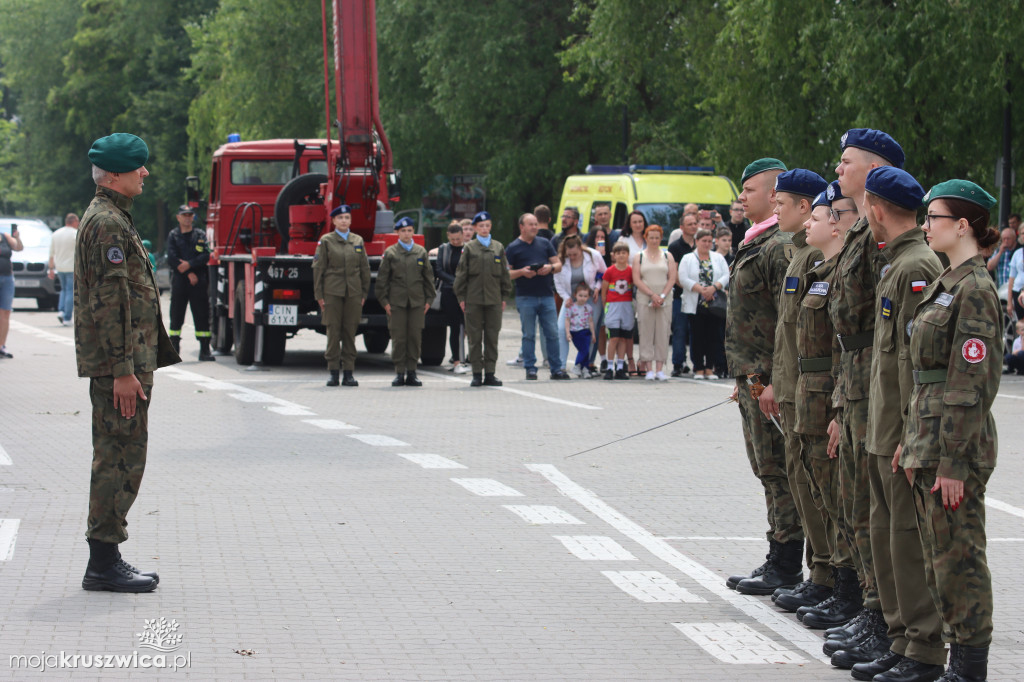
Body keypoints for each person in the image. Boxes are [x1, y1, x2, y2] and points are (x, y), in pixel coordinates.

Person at [845, 167, 946, 682]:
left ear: (876, 208)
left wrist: (911, 433)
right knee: (886, 538)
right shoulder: (895, 264)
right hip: (881, 431)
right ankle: (899, 636)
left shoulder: (916, 266)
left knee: (906, 541)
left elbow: (915, 363)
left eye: (865, 206)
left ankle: (923, 649)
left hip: (900, 434)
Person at [905, 180, 1002, 682]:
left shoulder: (976, 290)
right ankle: (954, 659)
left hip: (953, 446)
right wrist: (911, 439)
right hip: (929, 437)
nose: (926, 226)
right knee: (938, 558)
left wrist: (953, 462)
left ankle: (969, 667)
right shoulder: (949, 283)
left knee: (959, 558)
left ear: (962, 225)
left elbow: (970, 384)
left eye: (934, 218)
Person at [76, 132, 179, 592]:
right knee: (118, 457)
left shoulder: (111, 216)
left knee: (121, 454)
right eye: (139, 166)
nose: (146, 172)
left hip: (128, 363)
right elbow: (109, 301)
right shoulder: (109, 224)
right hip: (121, 367)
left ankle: (106, 558)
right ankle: (103, 562)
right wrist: (122, 371)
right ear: (115, 174)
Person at [825, 129, 909, 671]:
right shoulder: (858, 231)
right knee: (862, 506)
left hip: (875, 383)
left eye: (847, 161)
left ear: (873, 169)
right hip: (854, 379)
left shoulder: (885, 240)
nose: (838, 168)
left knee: (878, 509)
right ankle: (873, 609)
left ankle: (885, 616)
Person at [724, 157, 803, 595]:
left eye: (749, 190)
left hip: (770, 379)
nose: (742, 198)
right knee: (766, 468)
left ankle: (788, 561)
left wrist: (775, 379)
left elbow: (788, 321)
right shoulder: (755, 241)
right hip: (752, 376)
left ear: (774, 194)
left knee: (779, 469)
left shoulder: (778, 246)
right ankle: (779, 553)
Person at [754, 169, 833, 609]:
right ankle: (821, 575)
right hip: (793, 392)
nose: (774, 208)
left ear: (807, 207)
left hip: (816, 396)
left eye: (781, 202)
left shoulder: (813, 258)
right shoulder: (802, 256)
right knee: (806, 487)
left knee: (824, 494)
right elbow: (786, 335)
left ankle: (833, 581)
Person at [787, 185, 857, 622]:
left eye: (816, 217)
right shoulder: (820, 271)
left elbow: (843, 351)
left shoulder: (840, 273)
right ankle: (831, 579)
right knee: (821, 492)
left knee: (838, 497)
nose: (808, 224)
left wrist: (838, 410)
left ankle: (845, 588)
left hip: (829, 397)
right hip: (810, 392)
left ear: (836, 223)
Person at [313, 205, 370, 387]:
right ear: (334, 221)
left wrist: (363, 293)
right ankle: (333, 372)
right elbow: (318, 269)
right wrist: (319, 295)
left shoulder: (357, 240)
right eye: (340, 218)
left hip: (353, 292)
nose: (344, 221)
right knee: (333, 331)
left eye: (347, 217)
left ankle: (348, 373)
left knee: (350, 332)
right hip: (332, 292)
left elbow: (364, 269)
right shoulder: (327, 240)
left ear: (350, 221)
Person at [506, 213, 569, 380]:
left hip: (547, 295)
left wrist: (549, 268)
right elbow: (506, 273)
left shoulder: (545, 243)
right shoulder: (513, 247)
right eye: (531, 224)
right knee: (528, 334)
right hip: (526, 297)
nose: (535, 227)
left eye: (536, 224)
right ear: (522, 227)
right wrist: (521, 272)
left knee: (553, 333)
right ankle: (530, 368)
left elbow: (558, 264)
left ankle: (556, 368)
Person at [454, 211, 513, 386]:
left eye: (487, 225)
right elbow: (461, 274)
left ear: (491, 226)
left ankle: (490, 373)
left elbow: (504, 274)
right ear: (475, 228)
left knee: (492, 338)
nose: (485, 229)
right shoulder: (470, 248)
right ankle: (477, 374)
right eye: (481, 226)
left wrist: (504, 296)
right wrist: (461, 297)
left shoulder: (498, 247)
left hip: (494, 300)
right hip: (473, 300)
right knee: (474, 338)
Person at [376, 217, 435, 387]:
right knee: (399, 338)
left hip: (417, 303)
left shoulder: (420, 252)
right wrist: (385, 302)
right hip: (397, 303)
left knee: (414, 338)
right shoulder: (391, 253)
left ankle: (412, 372)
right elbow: (382, 281)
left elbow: (428, 278)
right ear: (397, 233)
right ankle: (399, 372)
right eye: (403, 231)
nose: (407, 234)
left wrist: (429, 300)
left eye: (410, 230)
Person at [678, 228, 729, 380]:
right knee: (697, 336)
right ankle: (698, 367)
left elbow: (726, 274)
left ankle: (710, 368)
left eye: (709, 241)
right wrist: (701, 289)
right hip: (696, 304)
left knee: (713, 336)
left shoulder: (718, 257)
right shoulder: (688, 258)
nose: (707, 244)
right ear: (696, 242)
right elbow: (683, 277)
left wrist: (714, 288)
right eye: (703, 241)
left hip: (714, 304)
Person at [165, 205, 213, 361]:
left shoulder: (200, 235)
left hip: (198, 282)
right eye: (184, 215)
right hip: (180, 281)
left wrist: (190, 264)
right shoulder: (173, 235)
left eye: (189, 215)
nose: (187, 218)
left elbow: (205, 255)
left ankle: (205, 350)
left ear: (193, 217)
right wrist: (188, 272)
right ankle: (174, 349)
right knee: (176, 315)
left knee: (202, 315)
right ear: (178, 217)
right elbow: (172, 258)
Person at [554, 234, 605, 372]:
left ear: (580, 248)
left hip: (591, 297)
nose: (572, 257)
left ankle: (585, 365)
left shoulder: (593, 256)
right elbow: (557, 282)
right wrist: (566, 297)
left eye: (575, 254)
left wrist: (597, 288)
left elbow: (604, 274)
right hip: (571, 298)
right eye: (569, 254)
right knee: (561, 328)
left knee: (589, 330)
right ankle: (562, 365)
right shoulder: (561, 259)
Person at [632, 224, 677, 381]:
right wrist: (652, 295)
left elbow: (672, 277)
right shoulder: (640, 256)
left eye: (657, 237)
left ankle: (660, 369)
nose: (654, 240)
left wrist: (662, 295)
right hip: (645, 299)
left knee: (663, 333)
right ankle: (648, 368)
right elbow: (637, 279)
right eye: (651, 237)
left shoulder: (667, 256)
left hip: (665, 299)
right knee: (646, 332)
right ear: (646, 238)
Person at [434, 221, 469, 374]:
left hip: (468, 293)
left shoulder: (469, 249)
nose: (456, 242)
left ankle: (471, 358)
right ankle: (457, 361)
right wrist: (455, 282)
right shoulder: (444, 249)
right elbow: (439, 270)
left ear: (463, 235)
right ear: (448, 236)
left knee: (469, 327)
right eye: (452, 239)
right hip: (449, 292)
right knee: (456, 327)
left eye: (458, 239)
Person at [668, 212, 698, 376]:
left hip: (699, 296)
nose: (693, 226)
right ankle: (678, 363)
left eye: (695, 223)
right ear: (682, 228)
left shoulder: (700, 245)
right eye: (690, 224)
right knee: (680, 330)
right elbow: (675, 273)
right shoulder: (675, 247)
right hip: (681, 295)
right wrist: (690, 286)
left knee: (696, 331)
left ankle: (696, 363)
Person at [601, 241, 635, 380]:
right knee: (613, 337)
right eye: (618, 253)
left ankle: (620, 367)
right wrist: (606, 307)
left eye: (624, 253)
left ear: (628, 255)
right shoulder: (610, 271)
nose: (621, 256)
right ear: (614, 255)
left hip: (626, 306)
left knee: (623, 338)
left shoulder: (631, 271)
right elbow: (604, 291)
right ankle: (610, 366)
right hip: (613, 306)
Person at [48, 212, 80, 326]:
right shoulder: (75, 234)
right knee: (70, 291)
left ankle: (61, 310)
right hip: (71, 267)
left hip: (60, 266)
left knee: (63, 289)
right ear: (74, 222)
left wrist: (50, 268)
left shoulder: (56, 234)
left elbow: (51, 253)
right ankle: (67, 317)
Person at [0, 222, 24, 359]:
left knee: (5, 312)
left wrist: (18, 237)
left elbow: (19, 248)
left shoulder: (5, 237)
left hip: (7, 279)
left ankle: (2, 346)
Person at [564, 282, 597, 377]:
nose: (582, 298)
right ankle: (577, 366)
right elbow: (567, 320)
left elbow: (591, 321)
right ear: (575, 295)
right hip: (575, 331)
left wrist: (593, 334)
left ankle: (585, 369)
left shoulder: (589, 308)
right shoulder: (571, 307)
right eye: (580, 295)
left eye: (585, 296)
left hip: (586, 331)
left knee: (586, 350)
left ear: (588, 297)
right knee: (583, 350)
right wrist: (567, 333)